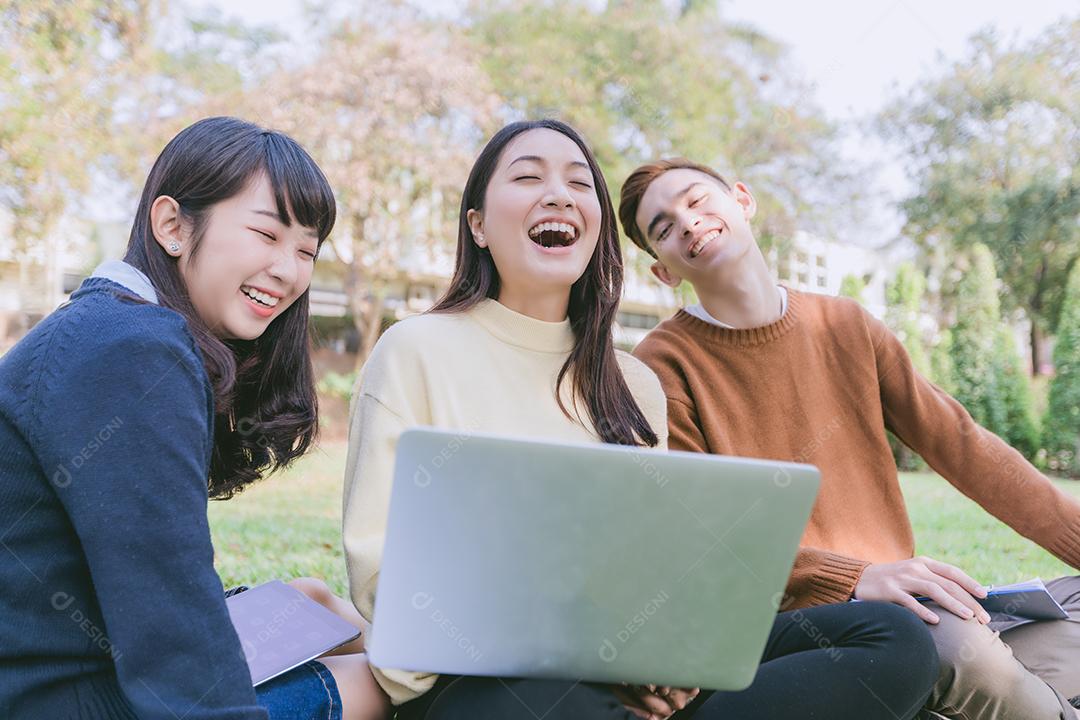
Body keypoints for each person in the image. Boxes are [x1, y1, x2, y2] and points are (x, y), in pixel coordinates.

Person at [342, 120, 939, 720]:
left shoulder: (633, 383)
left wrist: (668, 654)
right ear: (477, 225)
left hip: (623, 673)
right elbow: (377, 566)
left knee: (892, 639)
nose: (559, 195)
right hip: (489, 684)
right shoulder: (415, 349)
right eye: (528, 177)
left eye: (580, 183)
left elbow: (652, 572)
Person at [619, 156, 1080, 720]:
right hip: (821, 630)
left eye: (696, 200)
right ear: (663, 271)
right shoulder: (663, 364)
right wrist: (855, 578)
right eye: (663, 228)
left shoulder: (846, 325)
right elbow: (702, 536)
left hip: (917, 601)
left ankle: (973, 694)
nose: (687, 223)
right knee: (957, 648)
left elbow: (964, 446)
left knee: (1049, 618)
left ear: (742, 200)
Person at [0, 116, 386, 720]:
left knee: (310, 600)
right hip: (54, 696)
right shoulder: (131, 351)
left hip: (61, 659)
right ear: (173, 226)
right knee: (379, 682)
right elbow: (165, 616)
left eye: (306, 250)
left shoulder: (109, 325)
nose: (289, 271)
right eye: (267, 234)